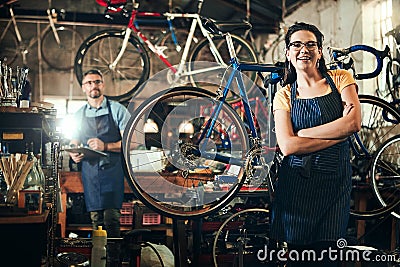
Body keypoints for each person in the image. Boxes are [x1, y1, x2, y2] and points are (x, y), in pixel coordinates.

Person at [271, 22, 361, 266]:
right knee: (300, 258)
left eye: (311, 44)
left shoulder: (341, 78)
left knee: (330, 255)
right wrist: (336, 134)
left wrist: (305, 133)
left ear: (320, 51)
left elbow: (352, 124)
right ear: (288, 53)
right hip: (297, 187)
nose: (304, 50)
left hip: (335, 183)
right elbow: (288, 146)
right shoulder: (284, 95)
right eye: (297, 45)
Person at [68, 69, 130, 265]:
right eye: (89, 82)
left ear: (103, 84)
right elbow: (73, 141)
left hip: (113, 170)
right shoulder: (79, 114)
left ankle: (114, 262)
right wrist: (73, 152)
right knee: (95, 219)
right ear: (83, 87)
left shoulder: (118, 110)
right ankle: (98, 262)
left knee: (112, 219)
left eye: (97, 81)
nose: (93, 85)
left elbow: (132, 142)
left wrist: (106, 146)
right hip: (90, 172)